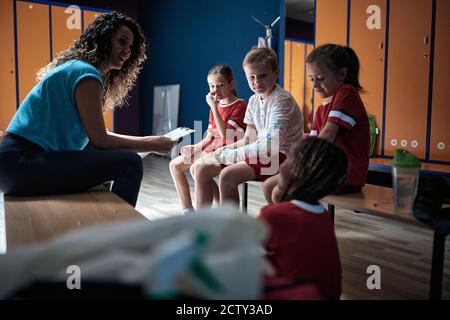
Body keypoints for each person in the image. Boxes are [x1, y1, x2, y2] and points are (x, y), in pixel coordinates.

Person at [0, 12, 176, 207]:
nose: (127, 51)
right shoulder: (87, 74)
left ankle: (103, 225)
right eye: (122, 41)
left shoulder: (77, 68)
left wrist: (148, 142)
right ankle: (119, 234)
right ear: (103, 39)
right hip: (21, 163)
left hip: (14, 164)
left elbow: (96, 138)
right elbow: (101, 140)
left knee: (106, 159)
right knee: (129, 163)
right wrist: (151, 143)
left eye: (131, 47)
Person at [190, 47, 304, 208]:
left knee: (227, 175)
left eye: (262, 76)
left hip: (285, 156)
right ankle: (210, 223)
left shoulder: (282, 100)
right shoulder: (253, 101)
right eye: (251, 77)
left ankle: (232, 229)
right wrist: (221, 151)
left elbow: (271, 146)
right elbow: (249, 139)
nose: (257, 82)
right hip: (265, 154)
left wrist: (227, 156)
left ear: (276, 72)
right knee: (206, 169)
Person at [263, 43, 370, 204]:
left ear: (342, 74)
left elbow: (327, 136)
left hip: (345, 175)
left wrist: (296, 163)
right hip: (325, 171)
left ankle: (294, 224)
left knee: (277, 190)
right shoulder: (321, 109)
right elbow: (312, 141)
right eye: (312, 79)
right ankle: (286, 224)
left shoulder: (347, 93)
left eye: (320, 79)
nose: (314, 85)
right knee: (269, 186)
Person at [259, 137, 348, 300]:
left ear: (298, 172)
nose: (282, 165)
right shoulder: (323, 216)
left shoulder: (275, 215)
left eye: (289, 159)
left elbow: (240, 252)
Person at [169, 64, 246, 213]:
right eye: (211, 86)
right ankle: (188, 211)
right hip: (212, 147)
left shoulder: (239, 105)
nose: (215, 91)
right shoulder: (215, 106)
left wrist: (213, 108)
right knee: (174, 165)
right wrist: (196, 147)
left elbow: (226, 135)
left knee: (198, 169)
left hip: (229, 150)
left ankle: (203, 216)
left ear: (232, 84)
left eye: (220, 85)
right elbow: (210, 136)